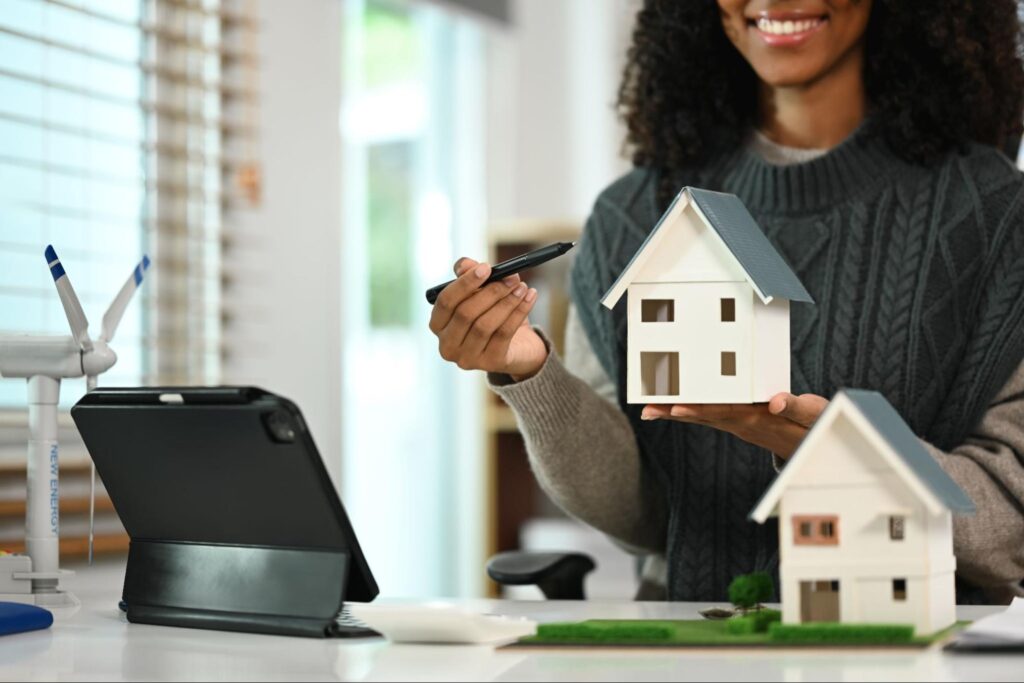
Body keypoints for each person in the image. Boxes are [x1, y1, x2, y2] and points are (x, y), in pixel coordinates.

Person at [429, 0, 1024, 603]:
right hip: (687, 652)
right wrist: (530, 372)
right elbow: (643, 515)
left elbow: (1009, 529)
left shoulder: (999, 220)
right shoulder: (629, 219)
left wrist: (834, 455)